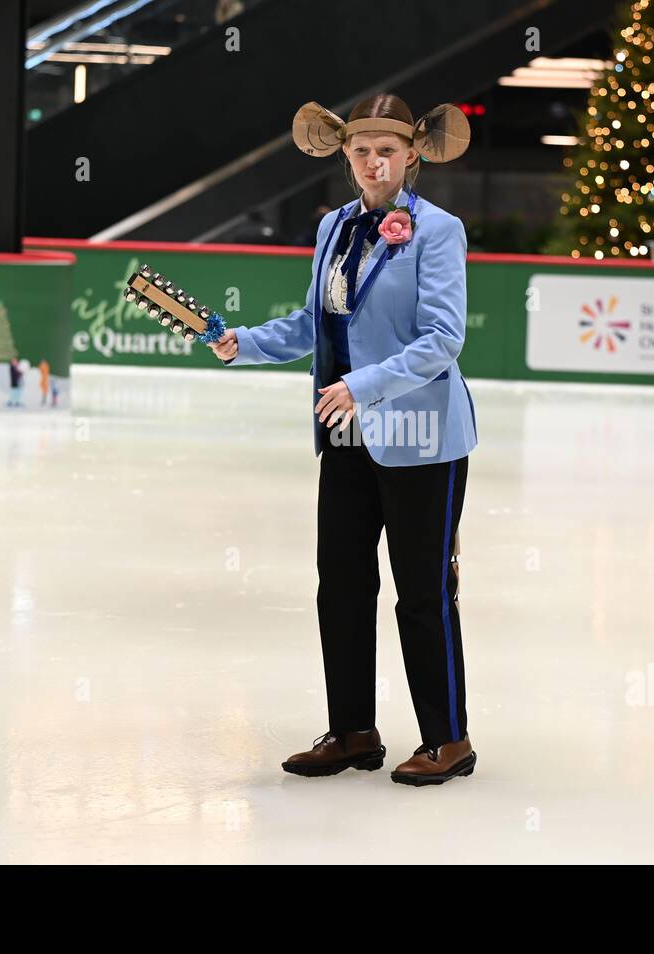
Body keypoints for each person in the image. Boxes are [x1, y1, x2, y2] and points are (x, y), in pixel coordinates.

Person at [208, 94, 478, 786]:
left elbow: (443, 339)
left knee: (422, 592)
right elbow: (314, 323)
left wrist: (365, 385)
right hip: (347, 433)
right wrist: (249, 342)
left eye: (386, 150)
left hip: (422, 438)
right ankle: (354, 730)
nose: (373, 161)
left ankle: (448, 739)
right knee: (343, 587)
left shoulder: (438, 230)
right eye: (360, 150)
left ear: (411, 156)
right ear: (346, 155)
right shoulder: (332, 226)